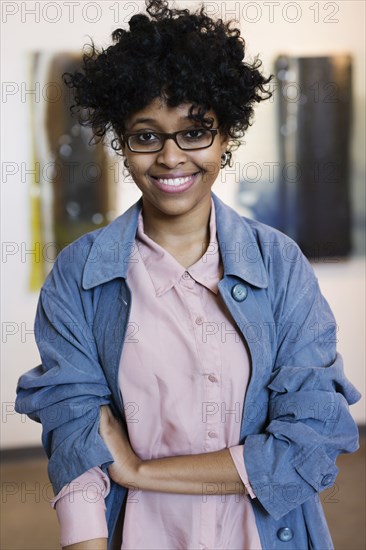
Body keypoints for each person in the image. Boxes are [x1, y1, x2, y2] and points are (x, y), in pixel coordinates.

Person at [15, 1, 361, 549]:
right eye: (147, 135)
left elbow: (310, 439)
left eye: (195, 131)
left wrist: (140, 471)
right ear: (122, 143)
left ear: (226, 136)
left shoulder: (280, 264)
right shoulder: (79, 275)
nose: (172, 157)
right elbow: (76, 438)